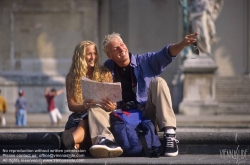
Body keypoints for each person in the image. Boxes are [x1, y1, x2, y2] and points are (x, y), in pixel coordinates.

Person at [102, 32, 198, 157]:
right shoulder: (106, 69)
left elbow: (166, 53)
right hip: (122, 116)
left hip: (147, 114)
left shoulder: (145, 61)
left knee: (158, 82)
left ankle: (170, 134)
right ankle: (103, 140)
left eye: (122, 44)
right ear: (110, 55)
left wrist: (183, 44)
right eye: (116, 49)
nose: (122, 49)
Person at [62, 40, 123, 158]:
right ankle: (72, 146)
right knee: (78, 126)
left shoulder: (104, 73)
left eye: (95, 53)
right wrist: (83, 106)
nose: (93, 57)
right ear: (80, 56)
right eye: (89, 54)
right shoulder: (71, 77)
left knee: (83, 124)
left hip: (99, 115)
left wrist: (112, 106)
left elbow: (113, 102)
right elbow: (71, 105)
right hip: (79, 115)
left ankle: (68, 143)